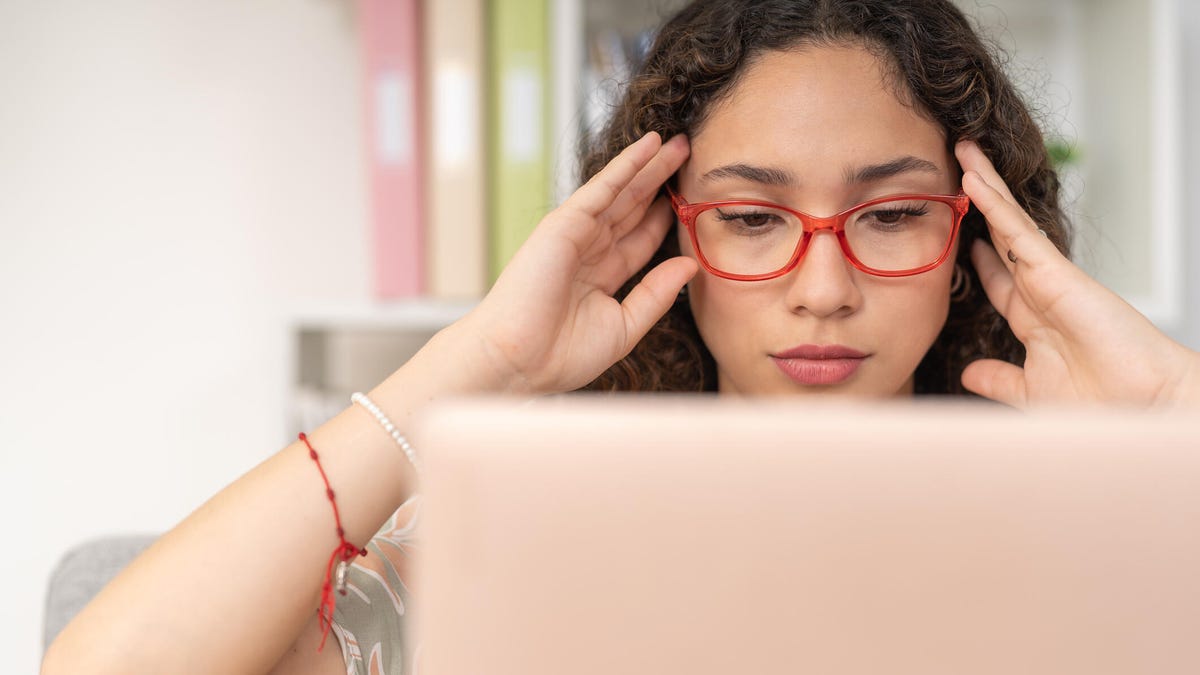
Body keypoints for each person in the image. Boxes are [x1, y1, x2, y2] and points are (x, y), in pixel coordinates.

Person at [41, 0, 1200, 673]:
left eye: (892, 215)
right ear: (666, 241)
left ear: (971, 241)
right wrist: (475, 367)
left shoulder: (1105, 539)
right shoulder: (519, 536)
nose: (824, 287)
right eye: (750, 220)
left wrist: (1170, 424)